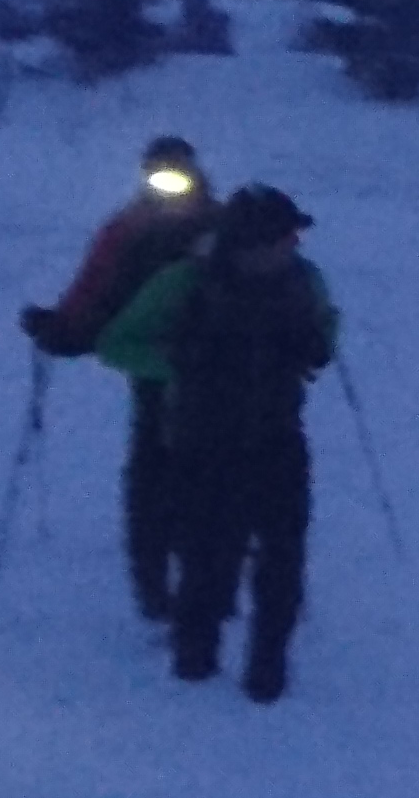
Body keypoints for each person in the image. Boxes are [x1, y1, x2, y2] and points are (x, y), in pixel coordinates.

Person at [96, 185, 337, 702]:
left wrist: (316, 348)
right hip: (201, 442)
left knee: (284, 557)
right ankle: (195, 664)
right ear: (248, 241)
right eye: (284, 237)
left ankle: (268, 670)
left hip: (279, 437)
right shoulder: (184, 282)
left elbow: (326, 326)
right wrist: (182, 365)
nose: (293, 245)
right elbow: (117, 344)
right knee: (208, 557)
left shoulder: (304, 279)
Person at [22, 135, 217, 625]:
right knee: (153, 458)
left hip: (220, 365)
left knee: (217, 461)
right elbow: (96, 283)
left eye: (177, 172)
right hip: (149, 355)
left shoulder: (221, 223)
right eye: (159, 173)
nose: (169, 183)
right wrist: (65, 327)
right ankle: (153, 578)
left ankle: (213, 556)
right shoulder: (128, 228)